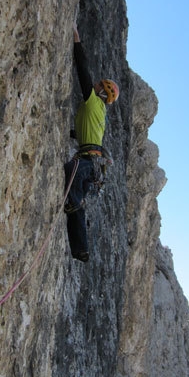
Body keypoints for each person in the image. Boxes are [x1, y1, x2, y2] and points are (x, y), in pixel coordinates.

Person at [64, 23, 120, 262]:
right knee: (73, 199)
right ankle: (80, 246)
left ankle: (82, 248)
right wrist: (70, 133)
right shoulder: (100, 114)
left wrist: (77, 41)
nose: (95, 83)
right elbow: (88, 136)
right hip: (95, 166)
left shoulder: (93, 102)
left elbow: (83, 71)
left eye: (99, 85)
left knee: (71, 188)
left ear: (101, 92)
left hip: (88, 163)